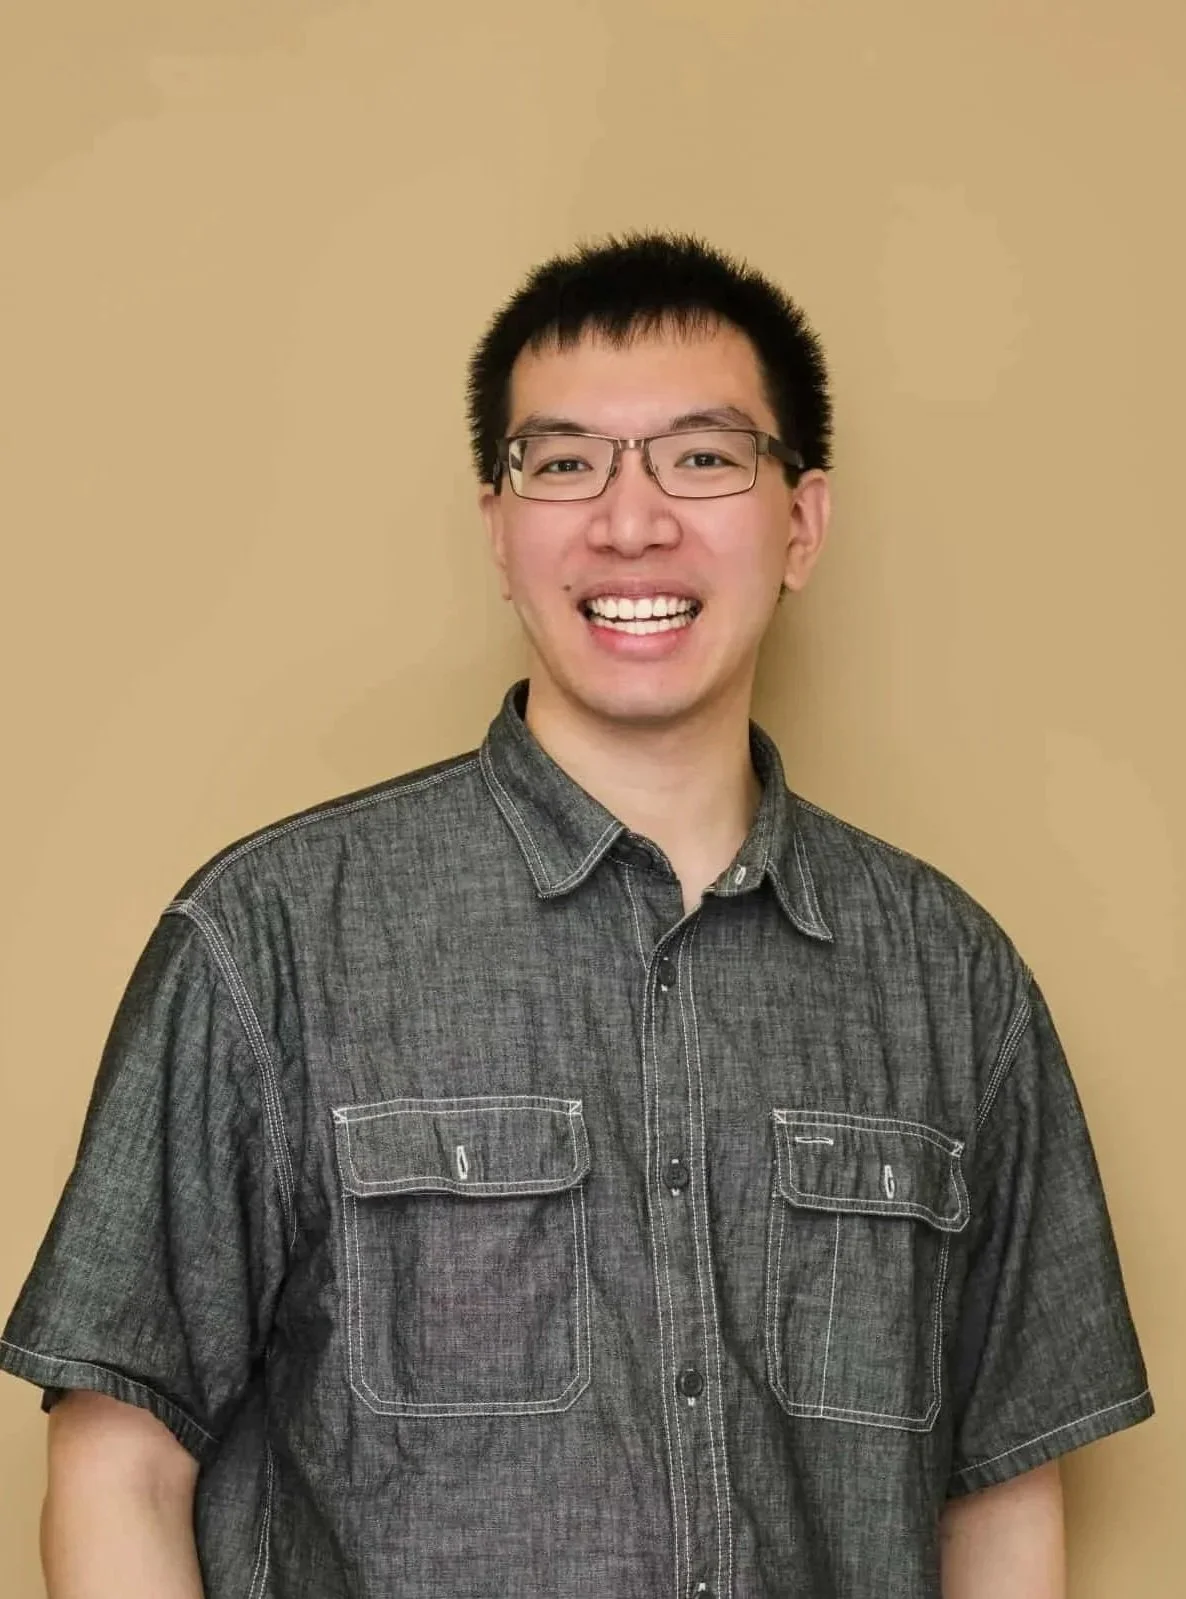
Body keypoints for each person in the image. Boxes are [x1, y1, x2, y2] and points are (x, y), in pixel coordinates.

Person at [1, 233, 1152, 1599]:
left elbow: (1000, 1493)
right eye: (564, 465)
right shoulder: (271, 939)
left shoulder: (952, 979)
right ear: (498, 529)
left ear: (801, 523)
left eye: (703, 457)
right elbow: (119, 1462)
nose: (630, 521)